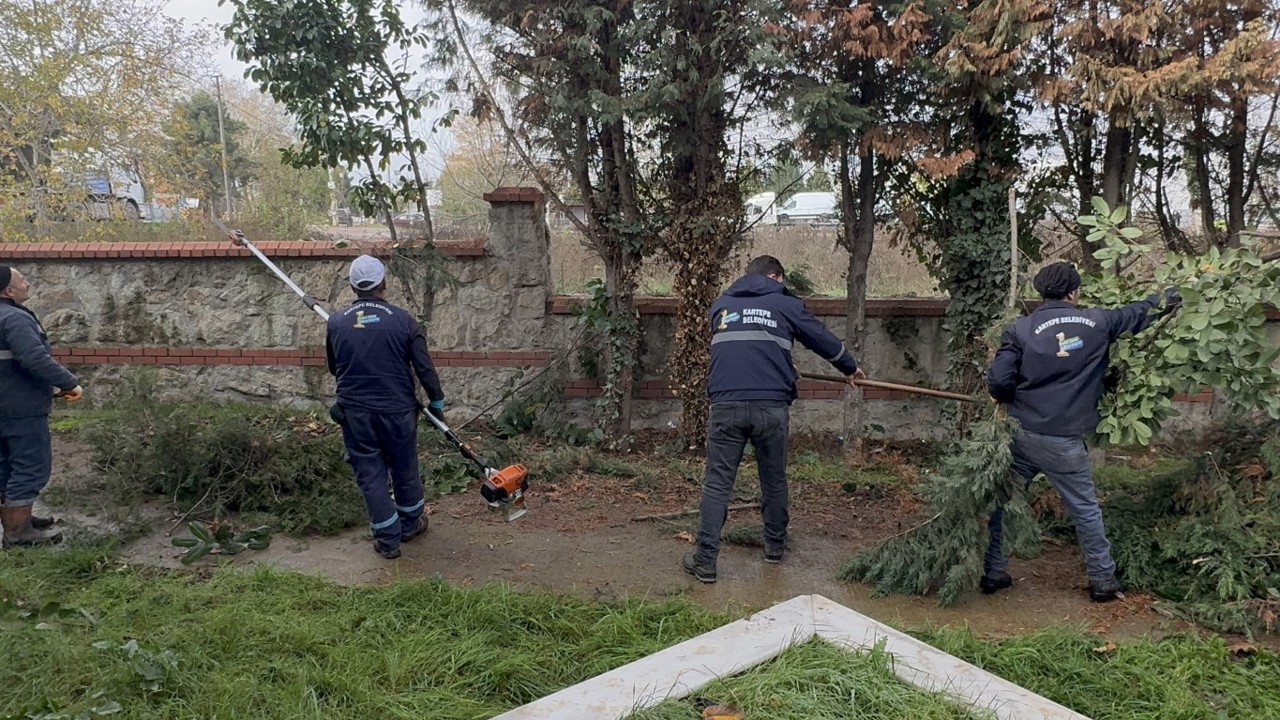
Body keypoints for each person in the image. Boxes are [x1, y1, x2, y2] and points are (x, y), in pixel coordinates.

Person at [984, 262, 1177, 602]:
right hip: (1064, 441)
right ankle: (1103, 581)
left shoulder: (1020, 329)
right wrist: (1180, 294)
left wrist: (1010, 397)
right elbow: (1142, 312)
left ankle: (993, 572)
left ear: (1041, 293)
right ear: (1073, 292)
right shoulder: (1099, 322)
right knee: (1085, 509)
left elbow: (999, 381)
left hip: (1022, 434)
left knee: (1008, 504)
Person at [683, 255, 865, 583]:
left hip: (726, 404)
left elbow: (743, 348)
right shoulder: (785, 304)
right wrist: (850, 368)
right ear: (776, 277)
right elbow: (821, 338)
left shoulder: (721, 306)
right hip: (771, 407)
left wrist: (780, 361)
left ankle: (705, 561)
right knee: (773, 478)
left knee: (718, 483)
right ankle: (775, 549)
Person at [326, 255, 445, 560]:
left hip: (356, 414)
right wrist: (437, 402)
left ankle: (388, 540)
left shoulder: (337, 322)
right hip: (398, 412)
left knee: (370, 473)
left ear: (353, 286)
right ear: (384, 284)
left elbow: (334, 368)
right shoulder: (403, 320)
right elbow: (424, 367)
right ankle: (410, 523)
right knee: (405, 465)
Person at [0, 266, 82, 548]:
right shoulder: (14, 319)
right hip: (19, 406)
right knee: (30, 466)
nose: (28, 282)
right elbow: (34, 358)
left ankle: (18, 520)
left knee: (5, 465)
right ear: (9, 291)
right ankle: (18, 532)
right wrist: (70, 382)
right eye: (22, 279)